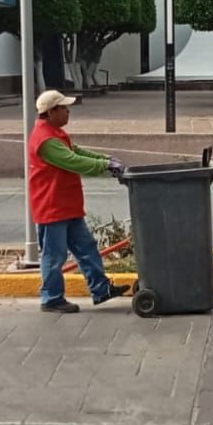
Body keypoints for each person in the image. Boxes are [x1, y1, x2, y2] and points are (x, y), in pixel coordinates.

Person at [29, 90, 131, 315]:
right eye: (64, 108)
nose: (68, 111)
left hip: (66, 205)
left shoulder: (55, 133)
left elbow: (77, 151)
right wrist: (104, 166)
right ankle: (52, 298)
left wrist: (105, 159)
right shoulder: (45, 140)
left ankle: (101, 289)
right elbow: (74, 161)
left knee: (86, 247)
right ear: (51, 112)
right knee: (54, 256)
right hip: (52, 206)